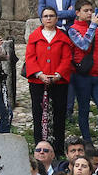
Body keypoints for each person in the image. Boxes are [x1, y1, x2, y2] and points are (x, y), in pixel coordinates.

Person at [67, 0, 98, 152]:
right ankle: (87, 142)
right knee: (84, 109)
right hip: (81, 75)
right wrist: (94, 26)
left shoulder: (97, 29)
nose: (89, 13)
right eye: (86, 10)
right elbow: (84, 45)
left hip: (97, 75)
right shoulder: (72, 29)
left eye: (91, 11)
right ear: (77, 13)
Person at [25, 8, 73, 146]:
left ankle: (58, 146)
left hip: (59, 81)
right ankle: (39, 144)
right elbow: (30, 57)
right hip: (38, 81)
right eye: (45, 16)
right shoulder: (35, 36)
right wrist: (40, 74)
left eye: (51, 16)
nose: (48, 18)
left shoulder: (63, 37)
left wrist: (58, 75)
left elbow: (66, 58)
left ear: (56, 19)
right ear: (41, 19)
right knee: (38, 112)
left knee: (59, 112)